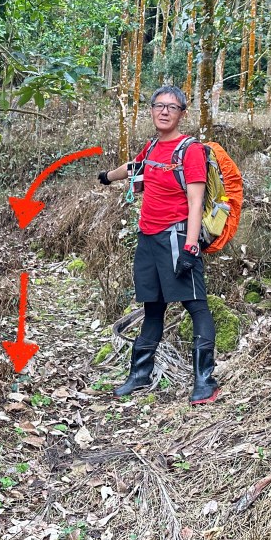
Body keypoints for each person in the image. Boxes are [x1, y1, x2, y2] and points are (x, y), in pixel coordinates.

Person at [97, 85, 219, 406]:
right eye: (159, 106)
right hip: (148, 238)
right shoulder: (151, 147)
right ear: (151, 110)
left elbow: (195, 201)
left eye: (172, 107)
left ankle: (205, 381)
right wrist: (107, 176)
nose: (164, 111)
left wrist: (191, 246)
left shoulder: (190, 150)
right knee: (152, 307)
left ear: (182, 114)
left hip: (177, 237)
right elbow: (134, 168)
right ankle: (140, 375)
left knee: (196, 305)